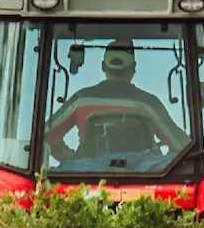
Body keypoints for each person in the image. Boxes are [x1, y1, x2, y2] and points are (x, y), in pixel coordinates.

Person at [46, 38, 188, 168]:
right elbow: (181, 145)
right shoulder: (148, 103)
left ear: (103, 66)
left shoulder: (81, 100)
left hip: (90, 175)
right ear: (134, 68)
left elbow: (47, 135)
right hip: (144, 179)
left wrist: (72, 157)